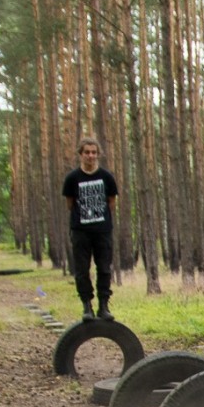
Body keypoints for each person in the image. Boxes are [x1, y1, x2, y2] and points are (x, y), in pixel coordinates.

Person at [61, 137, 119, 320]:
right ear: (81, 154)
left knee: (104, 269)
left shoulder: (107, 177)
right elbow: (70, 204)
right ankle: (87, 306)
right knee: (82, 270)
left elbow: (111, 202)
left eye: (94, 152)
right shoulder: (72, 178)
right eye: (87, 152)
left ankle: (104, 306)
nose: (90, 156)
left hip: (102, 231)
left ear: (98, 154)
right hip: (80, 231)